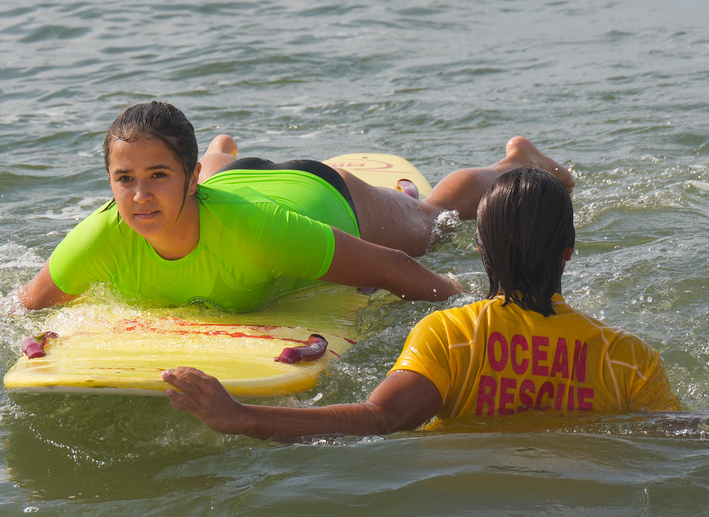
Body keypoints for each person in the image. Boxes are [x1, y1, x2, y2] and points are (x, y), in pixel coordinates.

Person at [161, 166, 681, 437]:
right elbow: (682, 440)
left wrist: (240, 415)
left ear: (480, 246)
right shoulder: (627, 358)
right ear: (568, 253)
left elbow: (376, 420)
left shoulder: (452, 337)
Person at [17, 101, 574, 313]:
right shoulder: (100, 236)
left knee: (433, 222)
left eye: (156, 175)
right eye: (124, 179)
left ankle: (513, 161)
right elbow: (27, 307)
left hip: (315, 195)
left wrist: (469, 306)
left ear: (184, 178)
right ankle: (217, 155)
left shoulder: (260, 235)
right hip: (224, 184)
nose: (138, 196)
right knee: (192, 191)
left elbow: (393, 270)